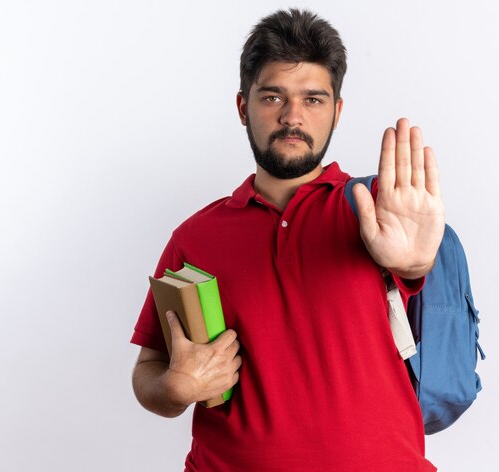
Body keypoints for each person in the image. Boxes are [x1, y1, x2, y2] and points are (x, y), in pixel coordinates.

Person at [131, 8, 445, 471]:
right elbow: (148, 370)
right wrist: (174, 389)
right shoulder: (194, 237)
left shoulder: (382, 209)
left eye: (314, 100)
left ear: (337, 111)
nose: (292, 116)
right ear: (244, 107)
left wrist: (415, 265)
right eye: (273, 96)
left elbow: (415, 269)